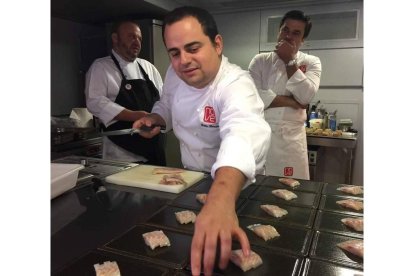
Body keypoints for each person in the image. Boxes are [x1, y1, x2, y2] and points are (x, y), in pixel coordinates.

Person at [132, 6, 271, 276]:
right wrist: (157, 118)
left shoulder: (235, 83)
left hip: (235, 188)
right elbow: (167, 103)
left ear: (217, 44)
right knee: (184, 256)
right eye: (175, 53)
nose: (183, 60)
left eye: (193, 48)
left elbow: (242, 132)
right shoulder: (175, 74)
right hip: (191, 182)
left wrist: (221, 199)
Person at [248, 10, 322, 180]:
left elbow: (306, 96)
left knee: (293, 191)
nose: (288, 36)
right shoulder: (260, 60)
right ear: (278, 31)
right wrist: (293, 102)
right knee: (259, 191)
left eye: (296, 33)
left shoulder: (311, 62)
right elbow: (254, 97)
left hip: (292, 141)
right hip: (262, 135)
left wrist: (289, 61)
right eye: (285, 30)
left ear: (303, 39)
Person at [85, 20, 166, 165]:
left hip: (154, 150)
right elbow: (95, 102)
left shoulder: (148, 67)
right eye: (131, 37)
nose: (137, 42)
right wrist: (136, 116)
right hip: (122, 154)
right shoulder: (101, 67)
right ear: (115, 38)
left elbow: (165, 100)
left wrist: (157, 119)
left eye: (139, 38)